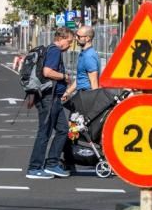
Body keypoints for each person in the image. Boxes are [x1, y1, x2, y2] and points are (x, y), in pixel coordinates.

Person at [26, 27, 74, 179]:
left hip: (53, 98)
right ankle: (34, 168)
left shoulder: (51, 49)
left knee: (63, 130)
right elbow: (47, 72)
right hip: (49, 98)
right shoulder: (55, 50)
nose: (70, 45)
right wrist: (64, 76)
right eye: (69, 41)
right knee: (44, 132)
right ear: (61, 38)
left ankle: (52, 163)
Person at [61, 25, 100, 172]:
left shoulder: (89, 56)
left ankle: (72, 160)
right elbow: (80, 79)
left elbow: (94, 81)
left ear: (88, 38)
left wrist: (94, 104)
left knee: (73, 129)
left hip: (86, 99)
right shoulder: (83, 54)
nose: (76, 39)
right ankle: (70, 160)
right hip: (80, 96)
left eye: (79, 36)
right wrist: (68, 92)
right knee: (73, 130)